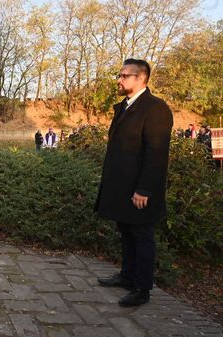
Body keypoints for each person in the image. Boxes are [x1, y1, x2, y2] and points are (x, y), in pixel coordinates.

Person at [95, 59, 173, 307]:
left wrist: (144, 189)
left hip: (140, 189)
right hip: (121, 186)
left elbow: (157, 152)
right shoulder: (124, 107)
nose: (119, 80)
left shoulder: (155, 109)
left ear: (141, 79)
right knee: (126, 232)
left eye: (124, 75)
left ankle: (142, 288)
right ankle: (127, 276)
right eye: (119, 75)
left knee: (142, 235)